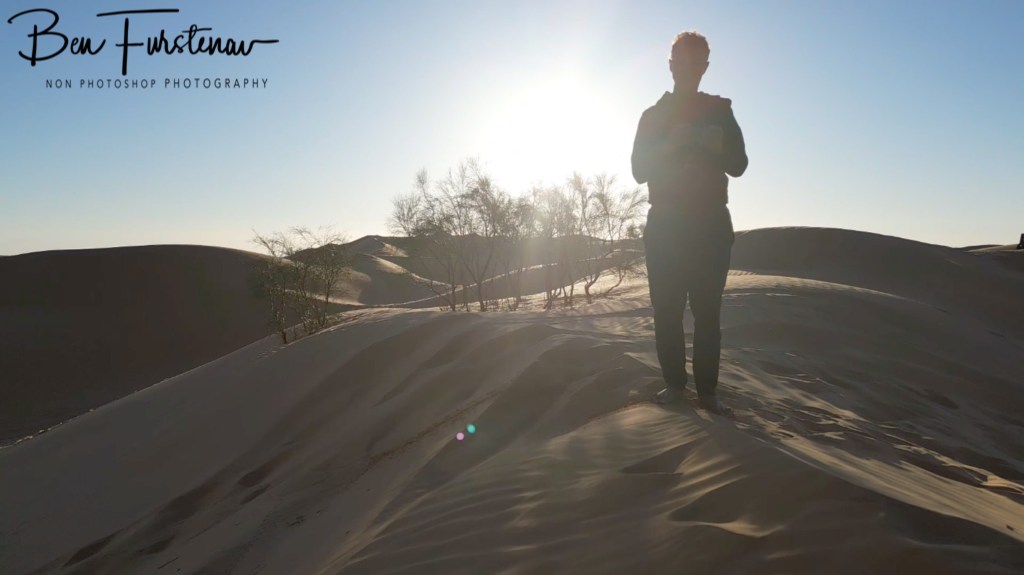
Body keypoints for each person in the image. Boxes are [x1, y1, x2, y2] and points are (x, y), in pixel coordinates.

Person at [631, 31, 748, 415]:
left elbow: (740, 165)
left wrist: (718, 146)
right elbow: (637, 170)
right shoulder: (652, 116)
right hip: (665, 226)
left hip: (710, 225)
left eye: (696, 64)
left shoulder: (720, 111)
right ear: (670, 66)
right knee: (666, 311)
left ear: (705, 67)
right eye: (681, 63)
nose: (688, 70)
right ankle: (674, 387)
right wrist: (669, 145)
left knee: (707, 313)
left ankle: (708, 393)